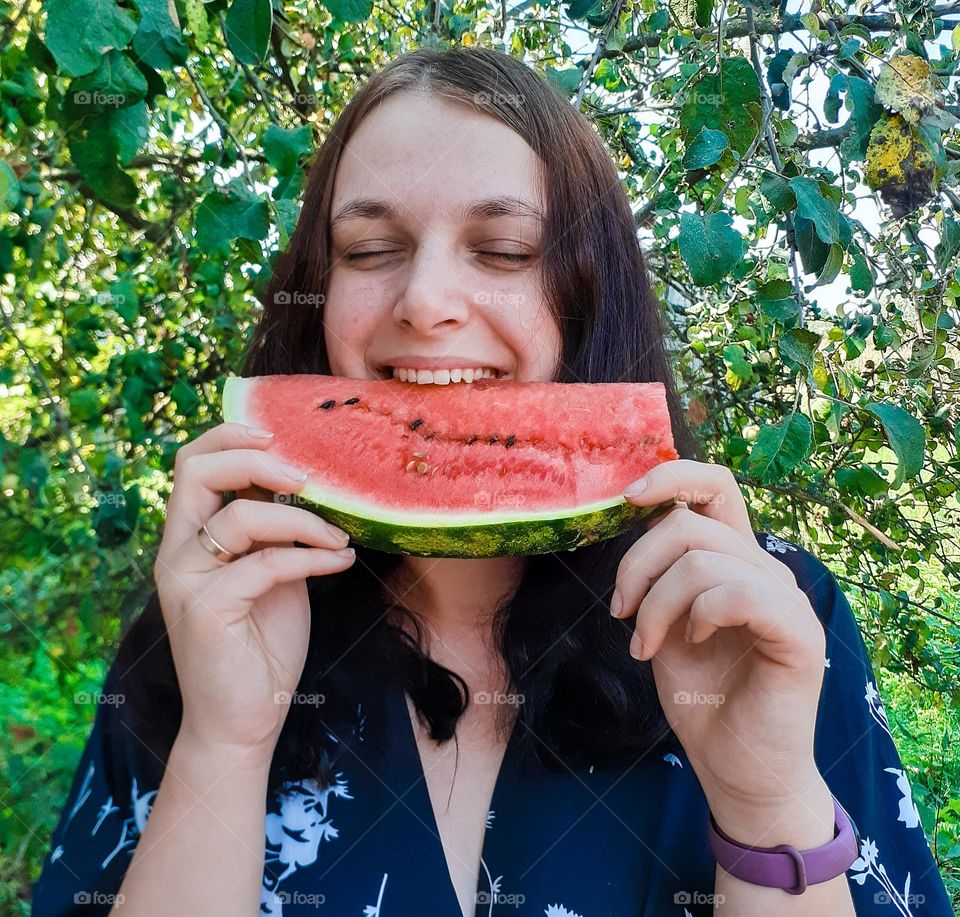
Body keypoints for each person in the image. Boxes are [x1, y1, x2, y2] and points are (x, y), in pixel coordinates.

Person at [32, 46, 953, 917]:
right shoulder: (202, 622)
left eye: (505, 250)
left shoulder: (767, 621)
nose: (425, 300)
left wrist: (766, 794)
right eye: (367, 250)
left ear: (588, 293)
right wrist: (223, 746)